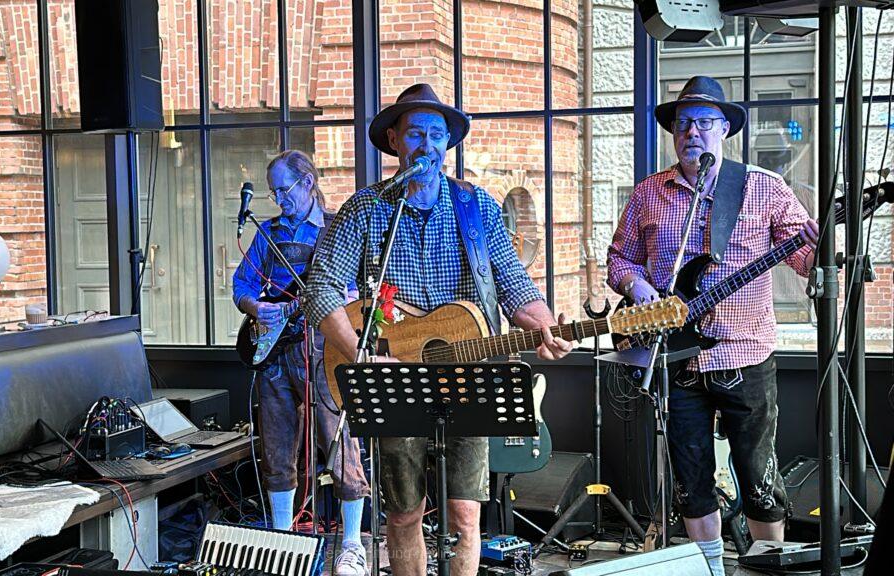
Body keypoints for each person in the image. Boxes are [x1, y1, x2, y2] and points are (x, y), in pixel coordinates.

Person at [303, 83, 573, 576]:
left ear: (447, 143)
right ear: (393, 140)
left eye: (436, 134)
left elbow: (515, 286)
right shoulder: (366, 210)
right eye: (414, 134)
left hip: (466, 375)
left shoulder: (479, 208)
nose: (426, 144)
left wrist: (547, 325)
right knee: (403, 514)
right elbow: (320, 290)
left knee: (467, 514)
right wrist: (360, 356)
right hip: (391, 376)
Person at [606, 76, 819, 576]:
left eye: (704, 121)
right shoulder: (648, 192)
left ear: (724, 129)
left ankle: (771, 568)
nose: (692, 132)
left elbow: (807, 262)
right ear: (672, 133)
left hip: (744, 352)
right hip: (672, 357)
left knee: (758, 475)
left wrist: (817, 240)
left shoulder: (763, 187)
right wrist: (642, 292)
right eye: (683, 123)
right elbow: (620, 261)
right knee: (691, 477)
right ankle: (708, 570)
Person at [232, 150, 370, 576]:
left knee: (341, 443)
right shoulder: (267, 232)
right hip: (276, 355)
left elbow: (356, 291)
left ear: (308, 183)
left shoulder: (336, 231)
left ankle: (351, 544)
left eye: (284, 189)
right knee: (276, 448)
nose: (277, 199)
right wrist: (257, 309)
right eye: (272, 191)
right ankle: (281, 543)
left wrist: (344, 303)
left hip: (326, 353)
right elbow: (241, 284)